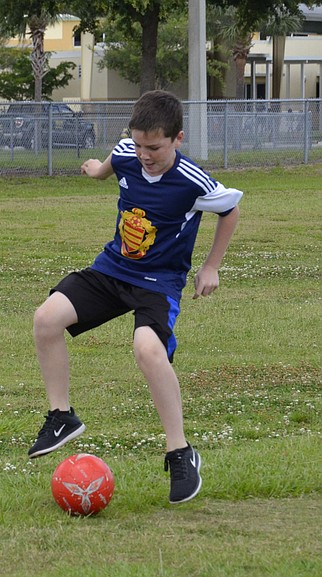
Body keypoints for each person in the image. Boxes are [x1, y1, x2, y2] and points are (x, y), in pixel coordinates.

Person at [28, 90, 242, 504]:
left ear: (178, 139)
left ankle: (180, 451)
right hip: (112, 270)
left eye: (155, 148)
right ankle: (61, 417)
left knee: (147, 350)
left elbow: (230, 209)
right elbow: (112, 165)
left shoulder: (191, 181)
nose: (145, 154)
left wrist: (211, 266)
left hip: (158, 282)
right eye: (140, 144)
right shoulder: (128, 152)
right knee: (46, 319)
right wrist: (95, 171)